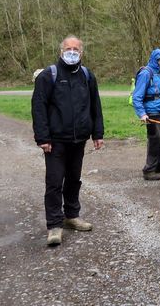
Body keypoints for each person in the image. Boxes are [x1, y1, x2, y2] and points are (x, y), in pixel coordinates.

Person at [31, 35, 104, 247]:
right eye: (68, 48)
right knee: (54, 182)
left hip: (78, 139)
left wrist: (97, 134)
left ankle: (71, 215)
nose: (72, 52)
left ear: (81, 52)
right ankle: (54, 225)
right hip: (55, 141)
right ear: (61, 51)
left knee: (74, 178)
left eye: (76, 49)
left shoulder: (87, 76)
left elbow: (95, 106)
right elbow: (39, 108)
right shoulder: (48, 76)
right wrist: (42, 137)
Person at [131, 48, 160, 181]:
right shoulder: (146, 73)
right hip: (152, 113)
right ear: (155, 59)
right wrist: (142, 114)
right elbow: (137, 96)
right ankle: (149, 170)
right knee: (154, 139)